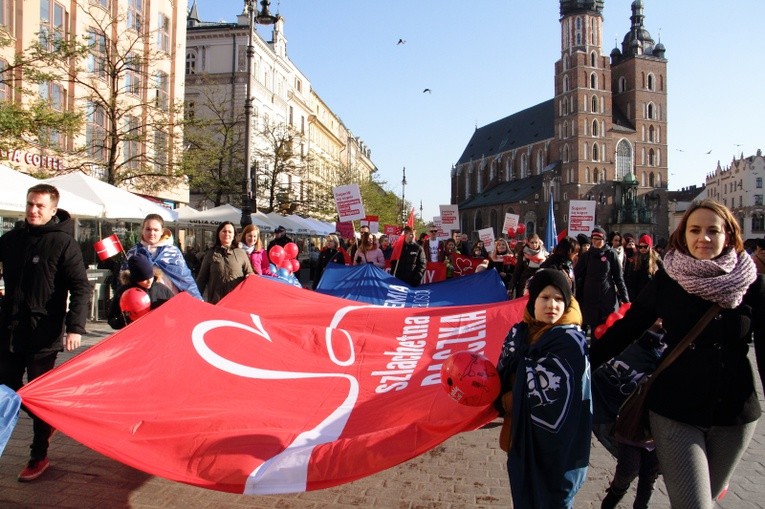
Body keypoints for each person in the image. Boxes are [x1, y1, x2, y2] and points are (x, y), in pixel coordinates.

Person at [590, 199, 765, 509]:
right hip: (675, 408)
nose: (704, 238)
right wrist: (583, 361)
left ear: (729, 235)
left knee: (704, 497)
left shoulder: (751, 283)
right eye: (695, 230)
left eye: (714, 230)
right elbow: (628, 327)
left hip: (735, 412)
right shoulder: (669, 280)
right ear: (683, 235)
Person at [0, 183, 91, 481]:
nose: (33, 210)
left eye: (40, 206)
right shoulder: (11, 239)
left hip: (43, 334)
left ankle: (38, 455)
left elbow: (80, 287)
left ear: (53, 210)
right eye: (29, 204)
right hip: (9, 331)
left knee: (37, 395)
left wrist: (75, 327)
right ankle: (47, 422)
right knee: (6, 391)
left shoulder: (64, 243)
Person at [495, 269, 591, 508]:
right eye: (545, 297)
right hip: (522, 441)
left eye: (559, 299)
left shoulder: (571, 342)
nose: (552, 305)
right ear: (533, 300)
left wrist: (510, 397)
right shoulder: (519, 333)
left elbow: (559, 397)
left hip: (558, 448)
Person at [592, 321, 665, 509]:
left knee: (649, 475)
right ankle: (611, 500)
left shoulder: (678, 346)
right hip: (629, 423)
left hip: (658, 425)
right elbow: (599, 376)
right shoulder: (631, 342)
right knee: (628, 469)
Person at [123, 214, 202, 300]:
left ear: (162, 231)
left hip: (169, 301)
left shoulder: (172, 252)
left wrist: (198, 302)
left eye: (156, 230)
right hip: (141, 303)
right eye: (148, 229)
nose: (152, 233)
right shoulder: (133, 253)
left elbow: (186, 280)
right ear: (142, 230)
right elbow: (124, 283)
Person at [574, 227, 629, 333]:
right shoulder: (587, 255)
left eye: (598, 239)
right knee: (593, 328)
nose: (595, 242)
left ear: (604, 240)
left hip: (606, 296)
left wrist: (625, 299)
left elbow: (619, 278)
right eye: (593, 239)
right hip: (590, 297)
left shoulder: (611, 254)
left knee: (607, 328)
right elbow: (576, 275)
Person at [107, 253, 174, 330]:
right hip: (134, 335)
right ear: (135, 279)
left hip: (158, 333)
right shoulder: (124, 292)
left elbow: (175, 312)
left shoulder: (162, 289)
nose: (149, 281)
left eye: (150, 277)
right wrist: (123, 320)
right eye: (144, 279)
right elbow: (112, 319)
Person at [196, 221, 254, 304]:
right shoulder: (210, 254)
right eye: (224, 231)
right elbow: (201, 279)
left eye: (230, 232)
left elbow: (250, 273)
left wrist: (250, 276)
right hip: (216, 303)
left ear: (234, 235)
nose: (227, 234)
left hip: (237, 302)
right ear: (218, 234)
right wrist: (195, 298)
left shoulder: (241, 253)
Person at [508, 233, 548, 298]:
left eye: (536, 242)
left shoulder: (544, 254)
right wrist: (511, 286)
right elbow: (517, 271)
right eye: (532, 242)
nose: (534, 245)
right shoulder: (523, 254)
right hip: (525, 284)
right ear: (528, 243)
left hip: (539, 283)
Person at [624, 234, 663, 300]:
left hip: (653, 292)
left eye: (645, 247)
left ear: (650, 247)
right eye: (640, 247)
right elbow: (630, 279)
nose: (643, 249)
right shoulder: (635, 259)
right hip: (638, 293)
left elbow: (663, 273)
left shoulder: (656, 258)